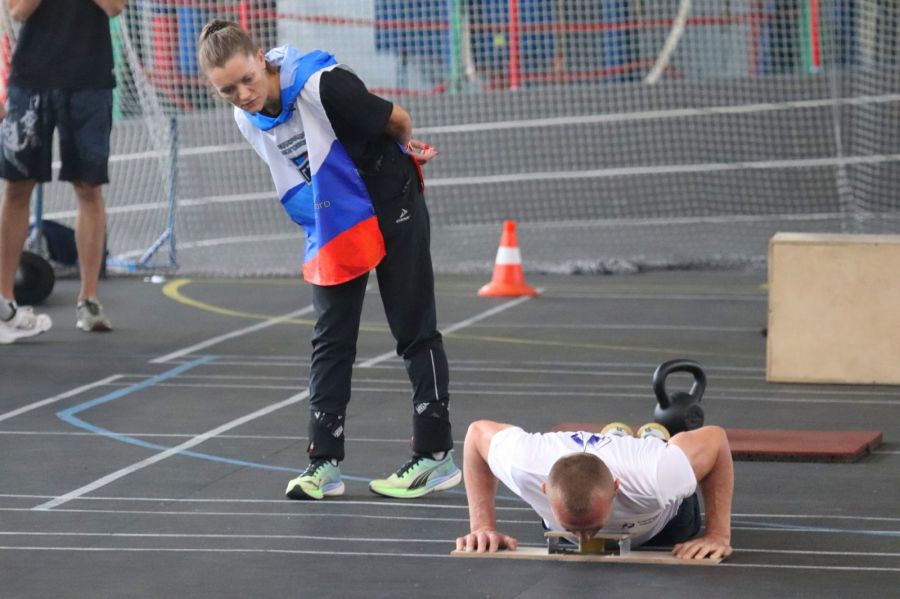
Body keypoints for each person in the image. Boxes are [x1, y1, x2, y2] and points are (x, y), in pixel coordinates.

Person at [198, 20, 459, 501]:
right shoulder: (246, 118)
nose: (242, 94)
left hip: (389, 197)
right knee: (331, 338)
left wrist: (400, 155)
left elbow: (399, 121)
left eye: (247, 80)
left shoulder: (324, 85)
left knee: (413, 326)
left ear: (262, 58)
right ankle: (323, 466)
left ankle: (436, 458)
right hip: (337, 217)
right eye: (227, 90)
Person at [0, 0, 123, 345]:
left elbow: (115, 7)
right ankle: (4, 300)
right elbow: (18, 11)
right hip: (32, 79)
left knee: (89, 187)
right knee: (16, 187)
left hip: (90, 79)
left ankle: (89, 300)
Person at [455, 420, 733, 560]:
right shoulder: (524, 463)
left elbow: (715, 439)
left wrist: (717, 535)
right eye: (574, 527)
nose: (585, 538)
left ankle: (653, 440)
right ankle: (622, 440)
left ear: (616, 489)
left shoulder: (658, 476)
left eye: (592, 526)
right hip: (627, 475)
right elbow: (477, 433)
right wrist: (483, 526)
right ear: (544, 490)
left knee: (676, 463)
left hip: (664, 525)